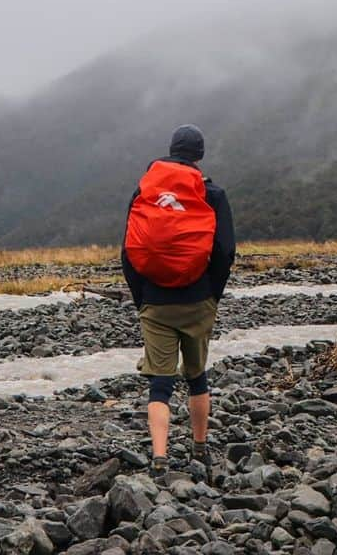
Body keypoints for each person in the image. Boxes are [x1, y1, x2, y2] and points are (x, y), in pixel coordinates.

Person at [121, 124, 236, 483]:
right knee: (197, 377)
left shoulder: (145, 190)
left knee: (160, 384)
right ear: (200, 155)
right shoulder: (212, 193)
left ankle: (159, 457)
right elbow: (225, 252)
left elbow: (128, 250)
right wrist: (212, 294)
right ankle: (200, 448)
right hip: (199, 298)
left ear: (170, 150)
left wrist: (141, 297)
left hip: (154, 301)